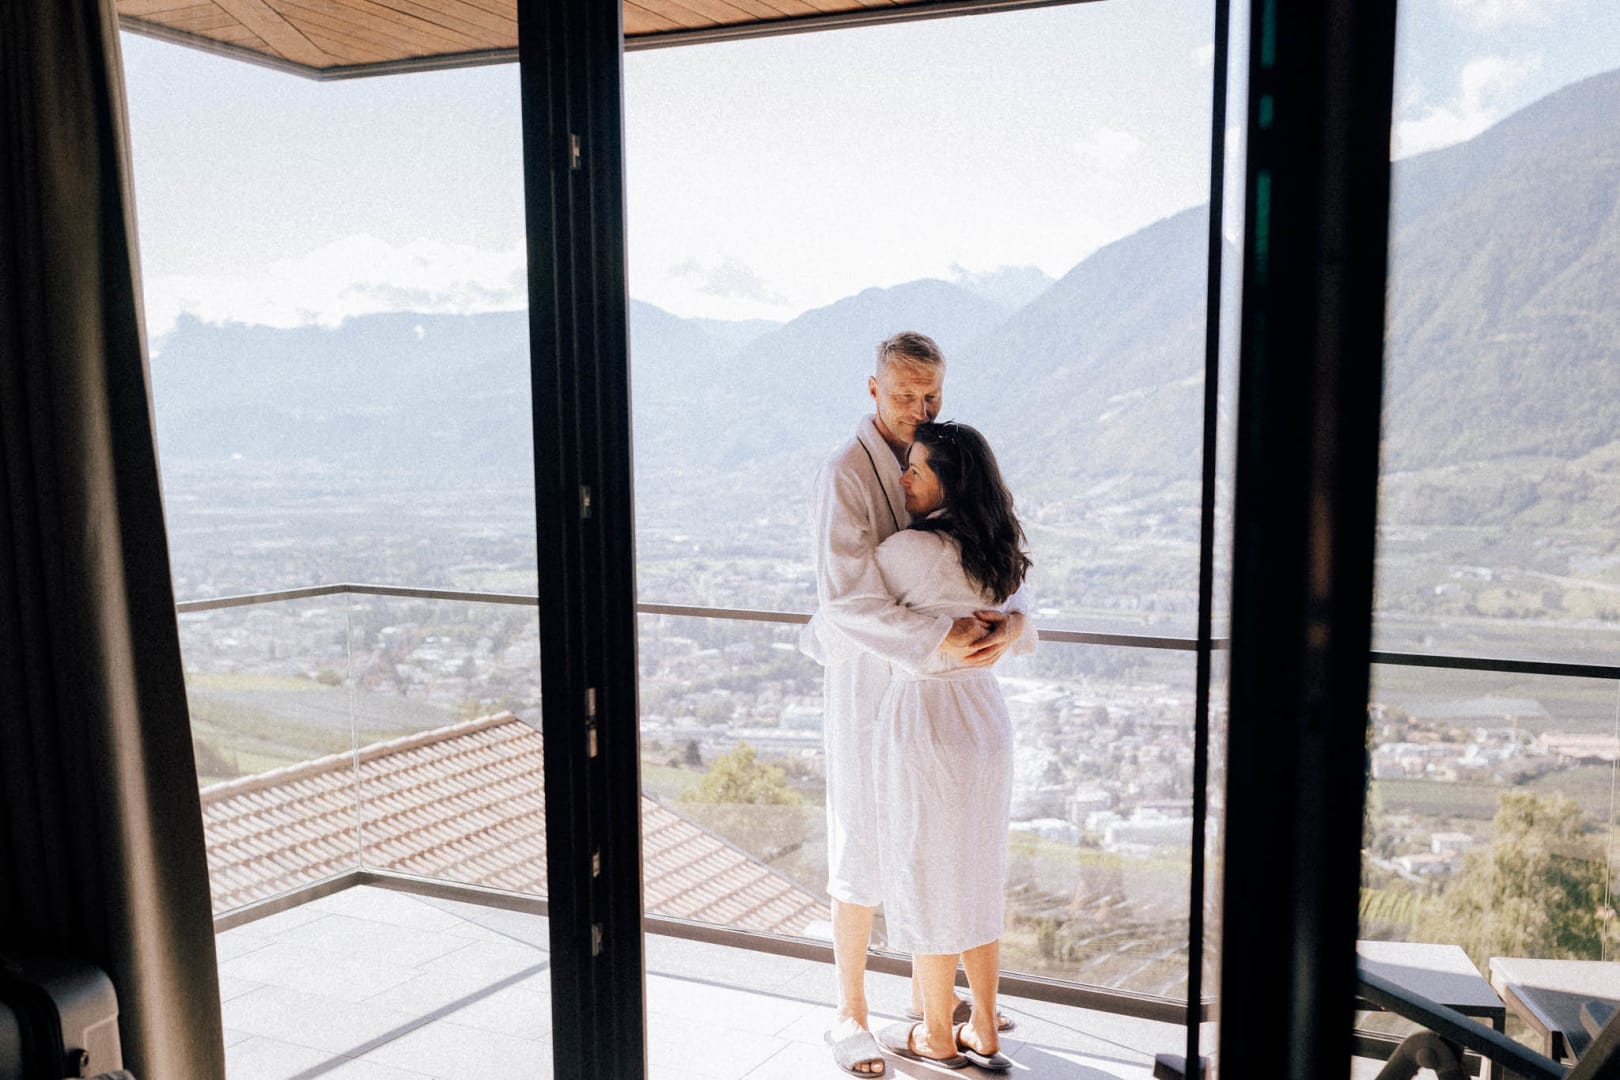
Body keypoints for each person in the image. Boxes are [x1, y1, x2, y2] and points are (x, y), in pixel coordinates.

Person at [803, 332, 1026, 1076]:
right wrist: (940, 634)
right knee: (862, 838)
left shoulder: (943, 459)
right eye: (905, 396)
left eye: (932, 396)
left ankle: (929, 1002)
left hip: (936, 687)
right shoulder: (845, 472)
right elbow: (844, 601)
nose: (919, 409)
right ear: (873, 389)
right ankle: (850, 1011)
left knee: (932, 845)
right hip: (869, 683)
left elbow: (995, 562)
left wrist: (1009, 625)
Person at [871, 420, 1033, 1072]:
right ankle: (985, 1027)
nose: (904, 478)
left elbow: (848, 607)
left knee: (926, 872)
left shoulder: (908, 551)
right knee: (975, 872)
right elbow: (1021, 618)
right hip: (986, 719)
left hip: (928, 720)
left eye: (916, 469)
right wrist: (1013, 624)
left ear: (948, 481)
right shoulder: (999, 547)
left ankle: (938, 1034)